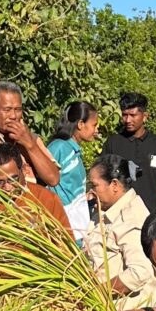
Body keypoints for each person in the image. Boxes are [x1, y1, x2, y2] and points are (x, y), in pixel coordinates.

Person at [85, 155, 156, 311]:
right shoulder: (104, 212)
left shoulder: (130, 218)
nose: (90, 193)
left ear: (114, 185)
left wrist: (97, 293)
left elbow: (139, 272)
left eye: (95, 186)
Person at [102, 92, 156, 213]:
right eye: (124, 115)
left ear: (145, 116)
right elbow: (104, 178)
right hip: (120, 213)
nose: (128, 120)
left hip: (152, 213)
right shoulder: (113, 143)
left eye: (133, 115)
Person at [0, 140, 73, 235]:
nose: (7, 187)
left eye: (12, 179)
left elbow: (66, 242)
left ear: (24, 170)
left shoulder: (46, 199)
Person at [48, 101, 100, 237]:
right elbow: (47, 183)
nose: (96, 130)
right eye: (94, 125)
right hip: (63, 227)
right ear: (80, 124)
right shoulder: (59, 148)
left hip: (77, 226)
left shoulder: (74, 151)